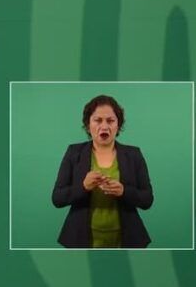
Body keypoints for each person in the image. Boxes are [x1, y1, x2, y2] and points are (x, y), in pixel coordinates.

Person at [52, 95, 153, 248]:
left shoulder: (134, 155)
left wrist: (124, 191)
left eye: (110, 121)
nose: (104, 126)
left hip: (126, 240)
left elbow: (147, 199)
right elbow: (57, 198)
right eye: (97, 120)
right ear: (88, 125)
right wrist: (83, 186)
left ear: (118, 125)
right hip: (80, 239)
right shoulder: (74, 153)